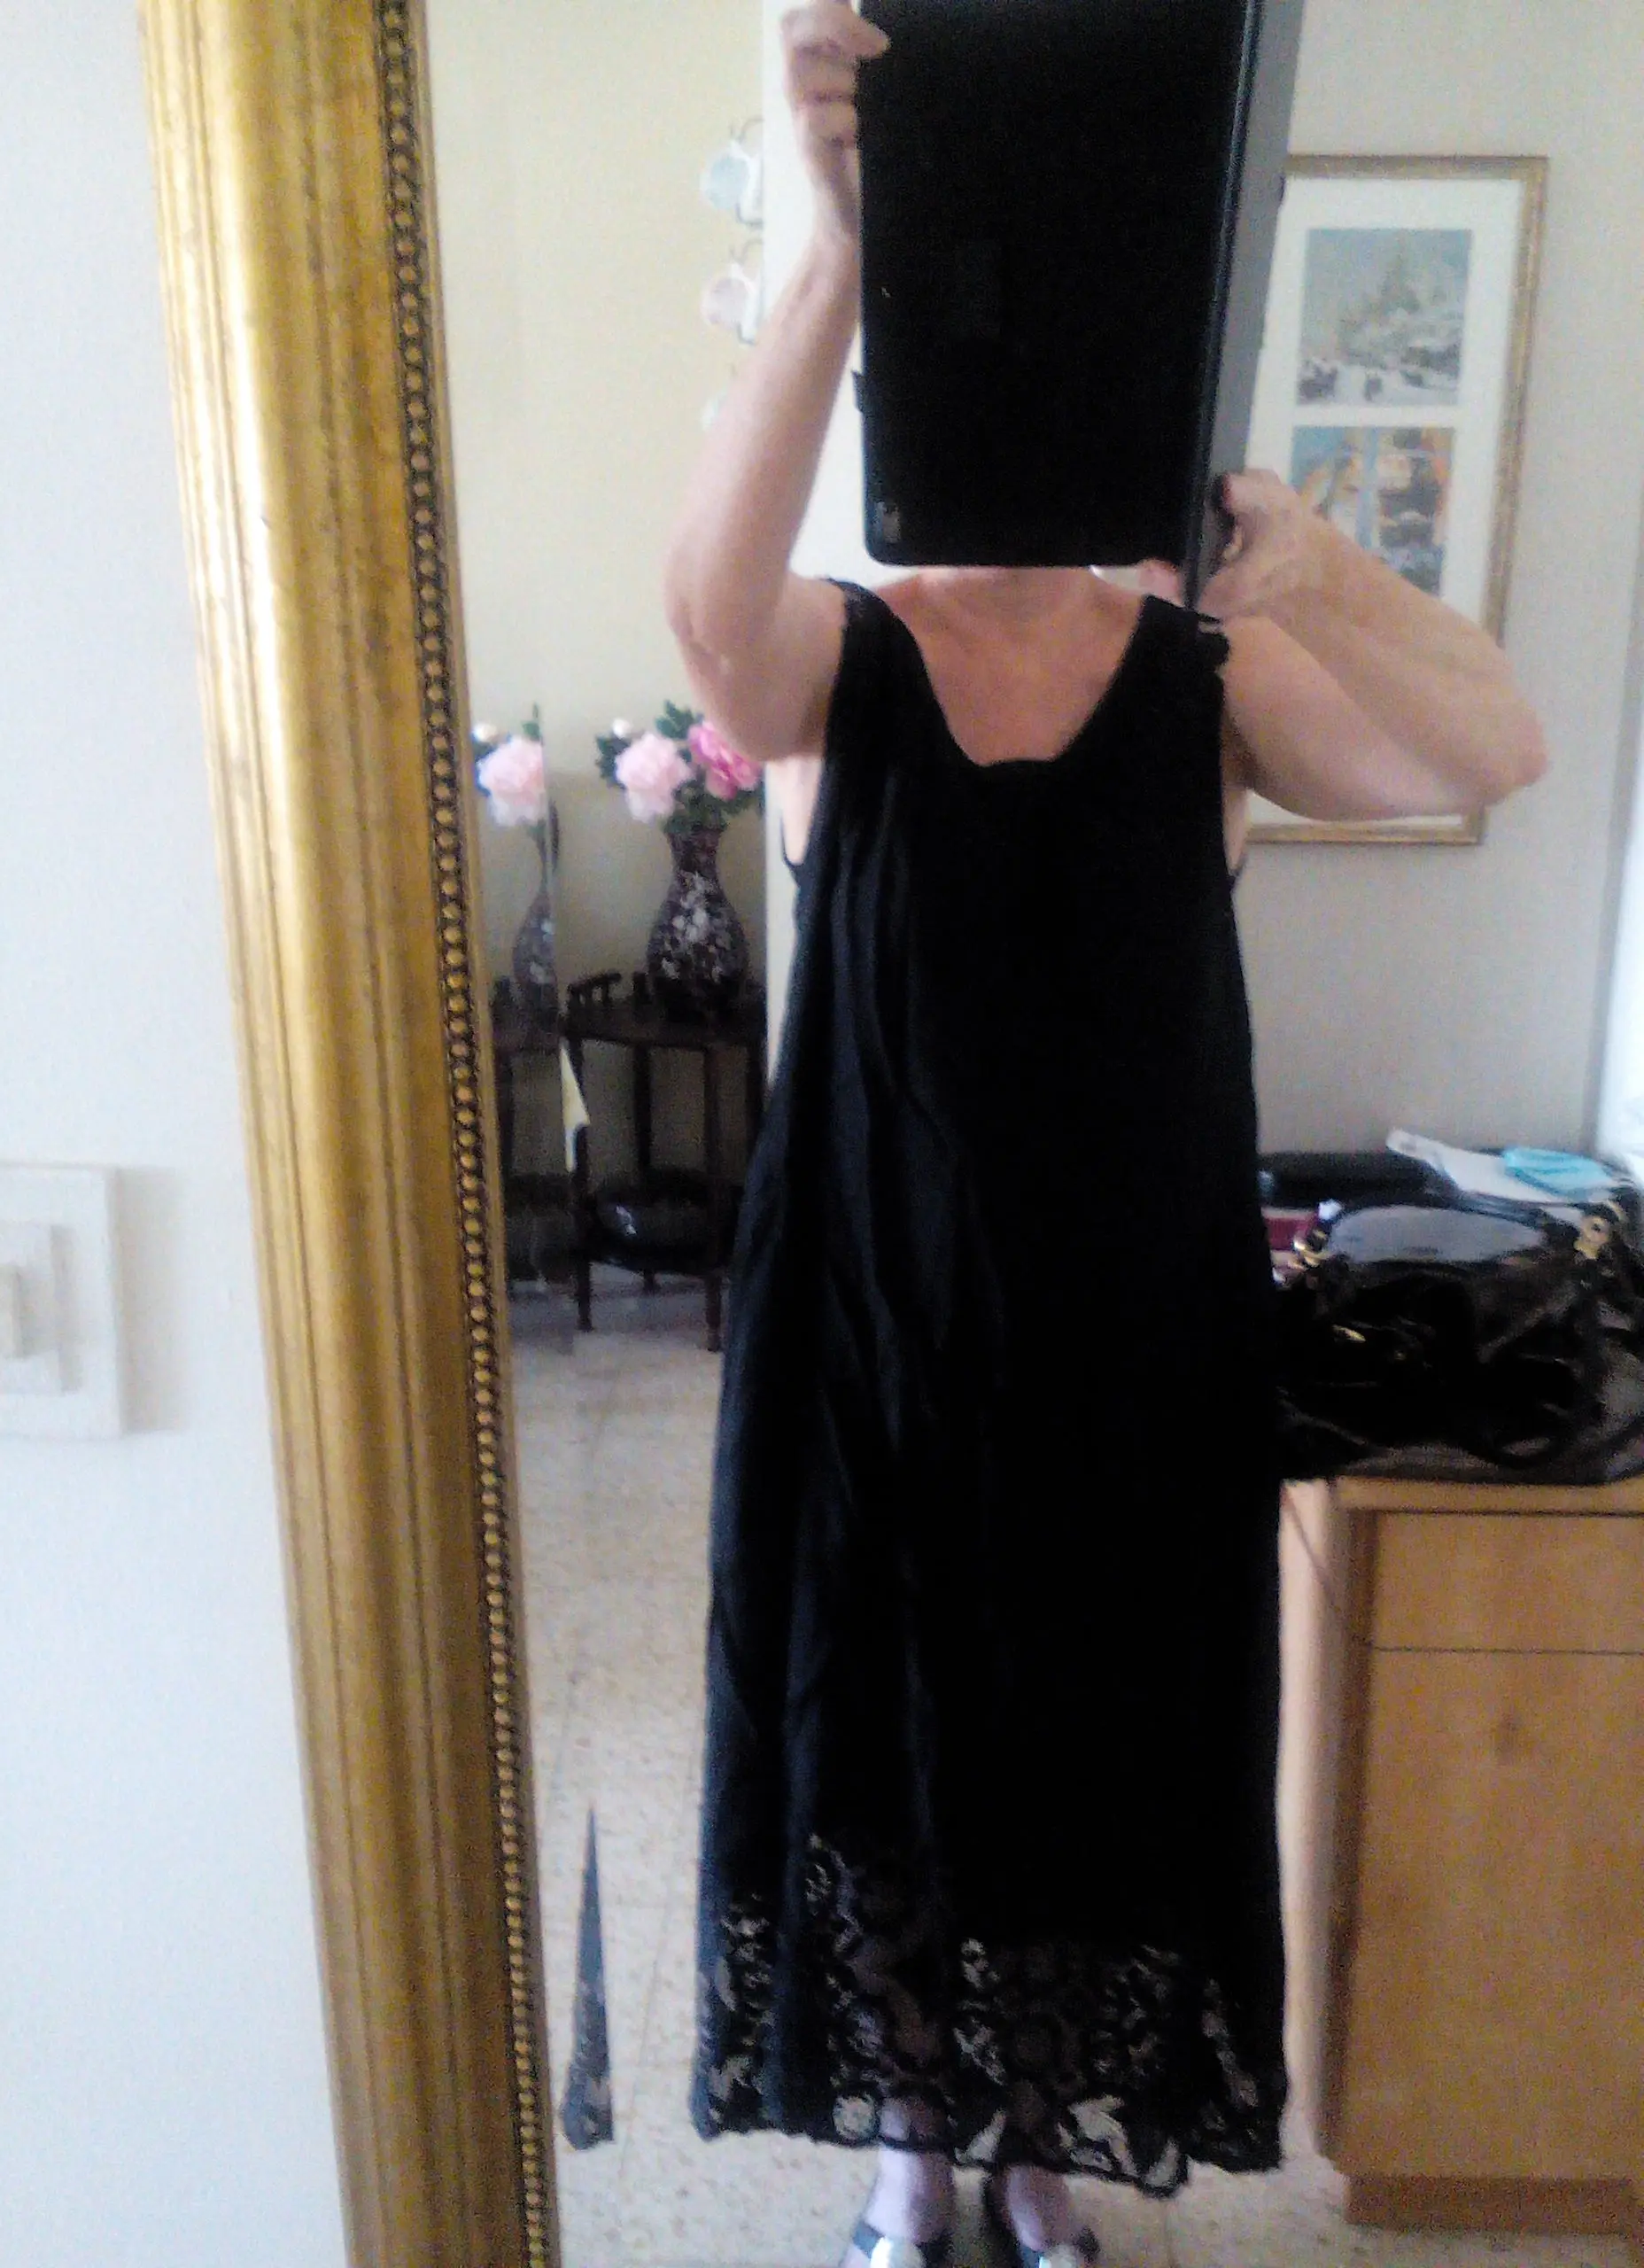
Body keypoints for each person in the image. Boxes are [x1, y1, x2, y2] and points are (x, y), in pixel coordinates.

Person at [663, 10, 1547, 2267]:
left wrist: (1303, 562)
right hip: (879, 1338)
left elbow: (1493, 746)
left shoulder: (1207, 673)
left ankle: (1037, 2149)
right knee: (887, 1747)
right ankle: (910, 2153)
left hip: (1131, 1354)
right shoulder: (839, 661)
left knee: (1089, 1752)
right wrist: (833, 250)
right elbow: (705, 622)